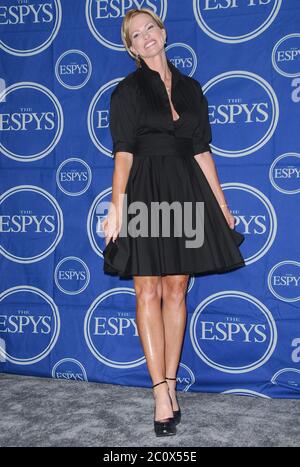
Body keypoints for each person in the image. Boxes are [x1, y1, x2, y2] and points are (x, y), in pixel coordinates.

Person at [102, 8, 246, 437]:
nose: (146, 37)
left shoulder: (190, 89)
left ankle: (170, 381)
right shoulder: (126, 92)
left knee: (176, 288)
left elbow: (202, 150)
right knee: (147, 287)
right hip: (145, 191)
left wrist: (221, 204)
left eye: (151, 28)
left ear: (163, 34)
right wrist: (115, 206)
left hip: (185, 189)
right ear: (130, 48)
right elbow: (123, 153)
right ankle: (161, 392)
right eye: (136, 35)